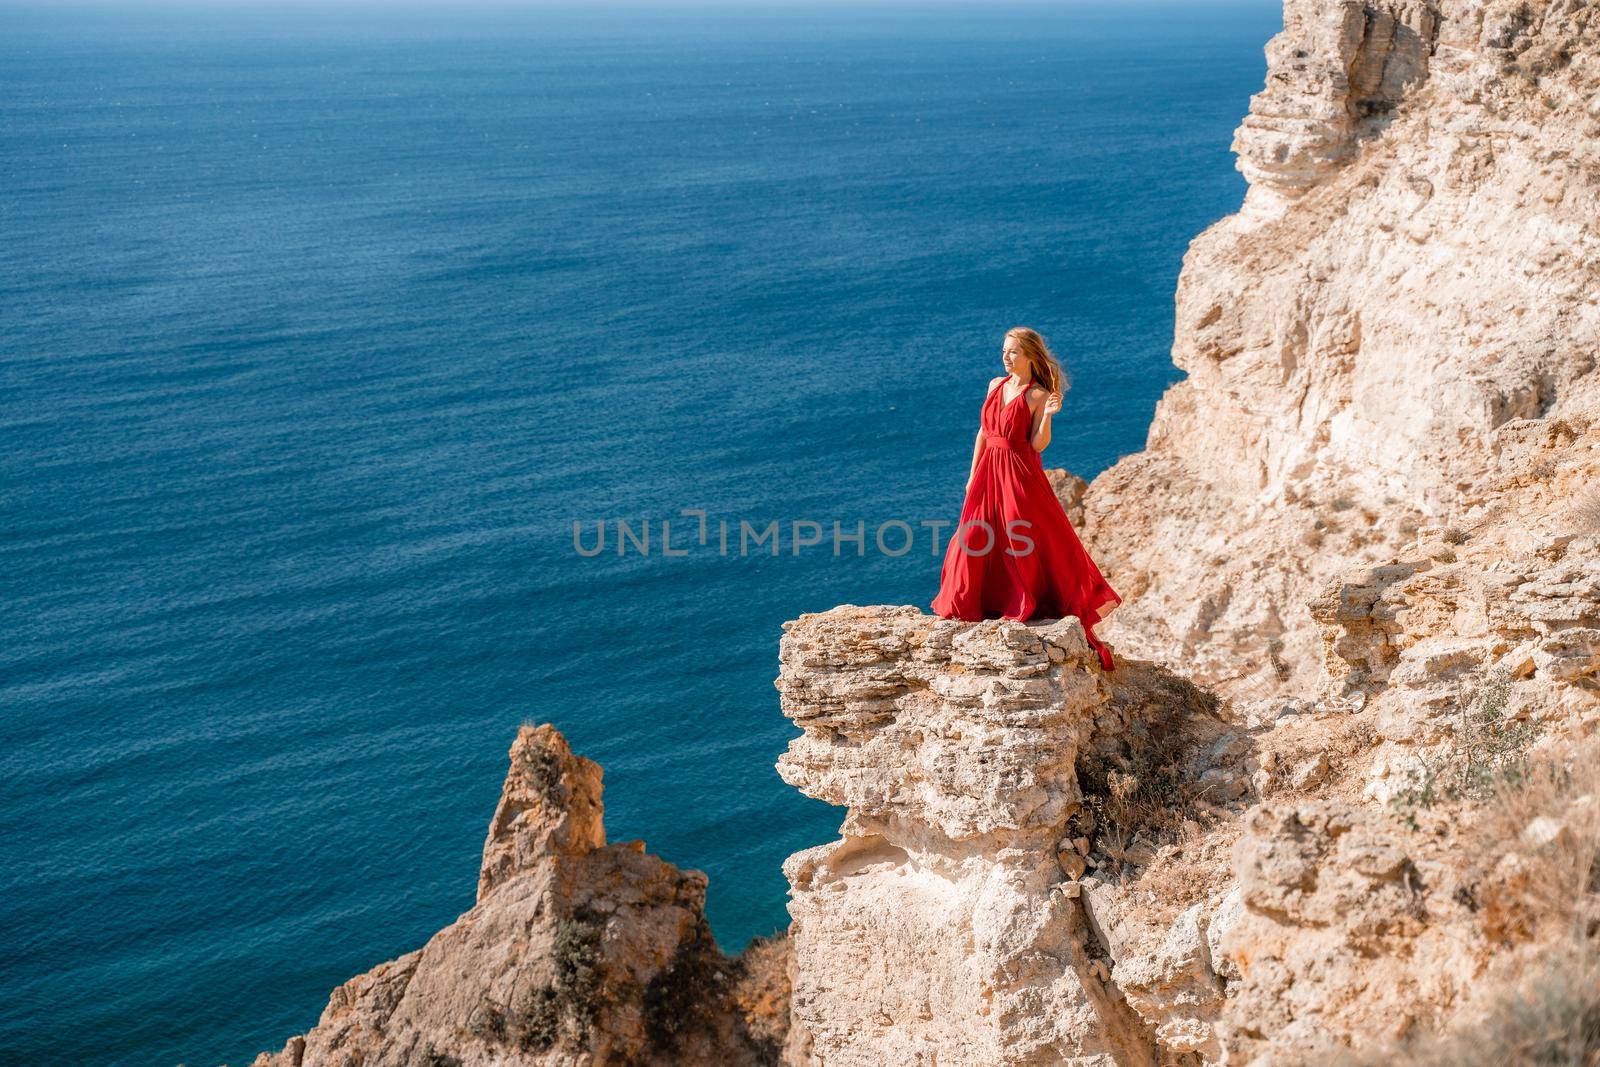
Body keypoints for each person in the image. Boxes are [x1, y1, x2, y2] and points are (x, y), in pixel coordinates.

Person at [930, 327, 1123, 670]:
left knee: (1018, 536)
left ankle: (1023, 600)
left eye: (1013, 352)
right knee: (974, 535)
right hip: (988, 470)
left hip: (1019, 474)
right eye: (1004, 351)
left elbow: (1037, 445)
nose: (1006, 357)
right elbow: (983, 433)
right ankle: (970, 601)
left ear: (1030, 356)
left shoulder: (1037, 395)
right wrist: (972, 475)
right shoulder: (994, 385)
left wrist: (1048, 414)